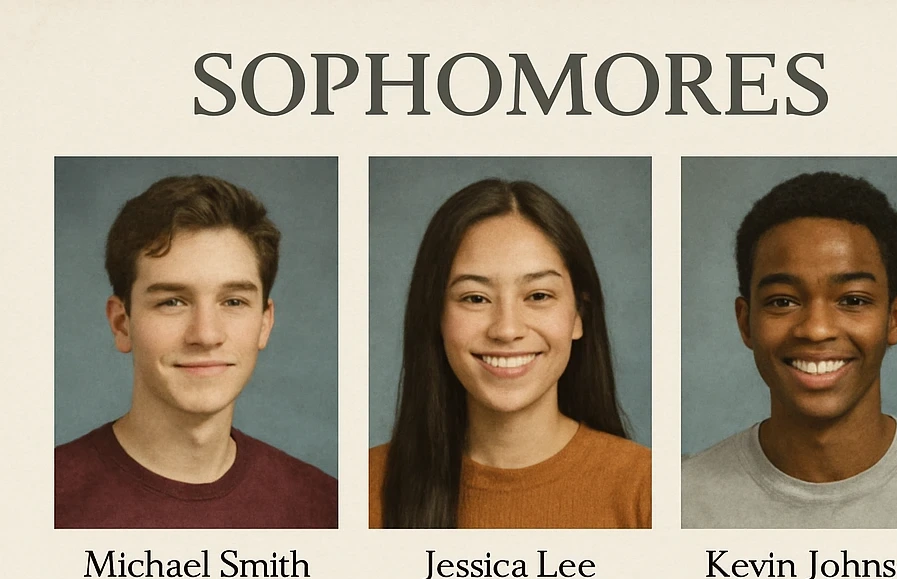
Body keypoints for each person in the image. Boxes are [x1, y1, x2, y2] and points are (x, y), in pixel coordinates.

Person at [681, 171, 897, 529]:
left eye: (853, 300)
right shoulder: (678, 501)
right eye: (782, 301)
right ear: (745, 321)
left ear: (895, 319)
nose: (816, 330)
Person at [56, 174, 337, 529]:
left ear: (264, 323)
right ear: (122, 324)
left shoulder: (328, 507)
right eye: (172, 302)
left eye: (233, 301)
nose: (205, 335)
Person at [370, 178, 650, 529]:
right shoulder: (362, 490)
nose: (506, 329)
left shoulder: (648, 488)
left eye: (538, 296)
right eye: (475, 298)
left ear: (579, 314)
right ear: (435, 316)